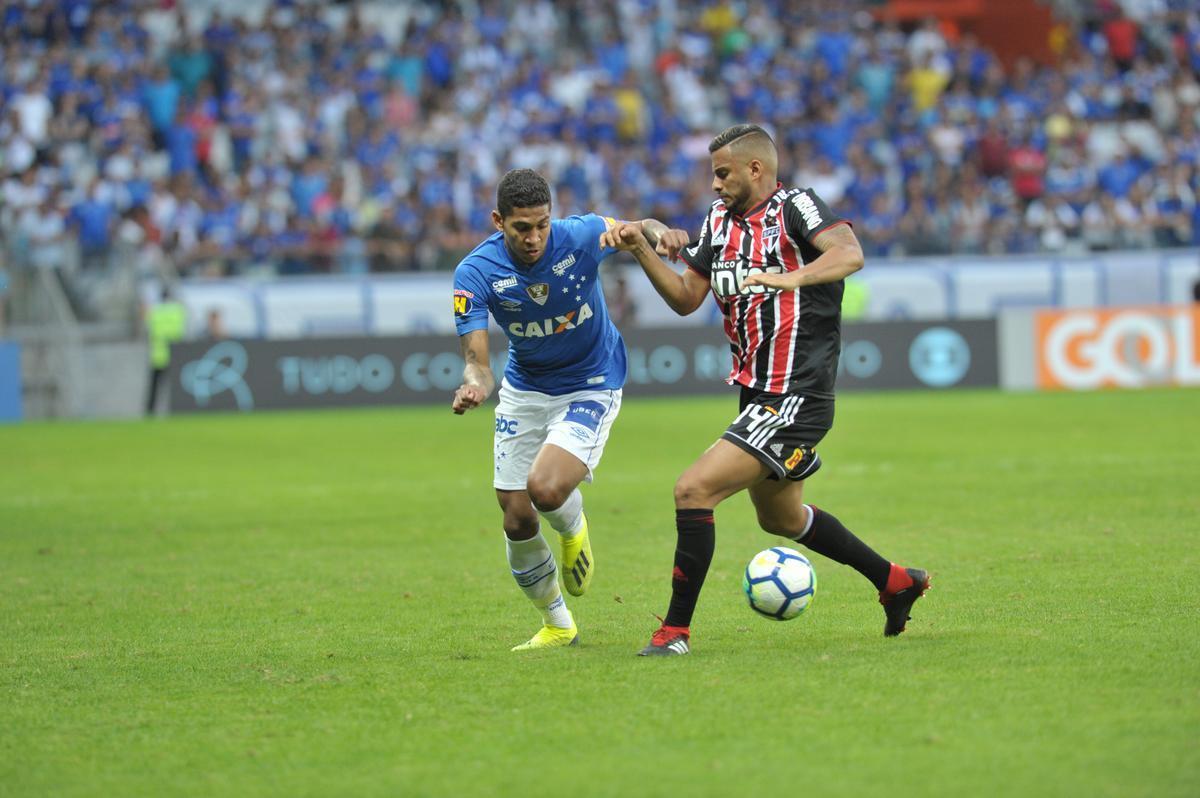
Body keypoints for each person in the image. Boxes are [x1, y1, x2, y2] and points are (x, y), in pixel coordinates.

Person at [602, 124, 930, 656]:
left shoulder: (795, 208)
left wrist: (790, 278)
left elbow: (849, 254)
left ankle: (674, 633)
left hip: (797, 393)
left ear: (756, 169)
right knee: (778, 518)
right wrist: (641, 247)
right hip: (757, 393)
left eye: (723, 172)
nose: (714, 184)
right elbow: (687, 297)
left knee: (693, 490)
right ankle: (895, 581)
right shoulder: (716, 223)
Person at [451, 168, 671, 651]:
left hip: (591, 381)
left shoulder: (581, 234)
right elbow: (478, 363)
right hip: (526, 388)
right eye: (521, 228)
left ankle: (573, 526)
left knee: (545, 489)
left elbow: (640, 226)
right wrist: (474, 385)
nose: (534, 238)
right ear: (498, 221)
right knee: (515, 517)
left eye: (541, 225)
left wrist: (660, 233)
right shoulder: (475, 273)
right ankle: (557, 623)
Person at [144, 285, 187, 415]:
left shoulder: (155, 311)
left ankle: (150, 412)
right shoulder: (178, 311)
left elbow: (149, 331)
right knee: (176, 388)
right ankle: (178, 410)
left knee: (155, 388)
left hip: (157, 355)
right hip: (174, 355)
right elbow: (182, 330)